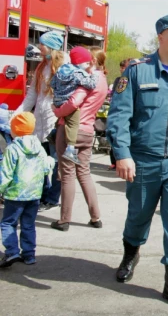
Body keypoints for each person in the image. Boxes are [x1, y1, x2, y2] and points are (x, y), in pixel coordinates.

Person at [106, 14, 168, 311]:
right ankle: (130, 254)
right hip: (144, 160)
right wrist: (122, 154)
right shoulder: (137, 72)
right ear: (160, 38)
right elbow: (119, 117)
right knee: (138, 216)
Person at [51, 47, 107, 231]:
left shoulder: (86, 80)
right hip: (88, 130)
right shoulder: (103, 81)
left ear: (91, 61)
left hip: (70, 131)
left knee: (67, 175)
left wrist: (57, 111)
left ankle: (64, 220)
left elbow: (74, 102)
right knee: (84, 173)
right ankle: (96, 217)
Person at [14, 30, 66, 212]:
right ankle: (42, 195)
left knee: (55, 161)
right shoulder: (41, 67)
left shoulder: (64, 66)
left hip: (54, 122)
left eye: (42, 43)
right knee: (40, 161)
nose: (39, 46)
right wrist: (18, 114)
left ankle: (52, 199)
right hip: (39, 123)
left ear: (50, 46)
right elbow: (32, 96)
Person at [0, 112, 55, 268]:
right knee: (28, 224)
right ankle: (29, 255)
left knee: (8, 223)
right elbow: (46, 167)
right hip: (34, 194)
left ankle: (12, 252)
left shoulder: (12, 149)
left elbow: (6, 173)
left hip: (15, 194)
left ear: (15, 130)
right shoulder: (39, 147)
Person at [51, 46, 99, 164]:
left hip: (57, 101)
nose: (88, 65)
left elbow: (52, 84)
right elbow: (91, 84)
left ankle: (55, 144)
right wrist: (93, 74)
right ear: (81, 62)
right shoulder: (78, 73)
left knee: (63, 122)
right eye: (86, 63)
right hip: (68, 102)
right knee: (73, 124)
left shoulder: (61, 70)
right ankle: (70, 149)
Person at [108, 58, 134, 170]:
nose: (122, 69)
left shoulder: (134, 78)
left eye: (124, 67)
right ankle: (116, 160)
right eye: (121, 67)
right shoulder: (119, 80)